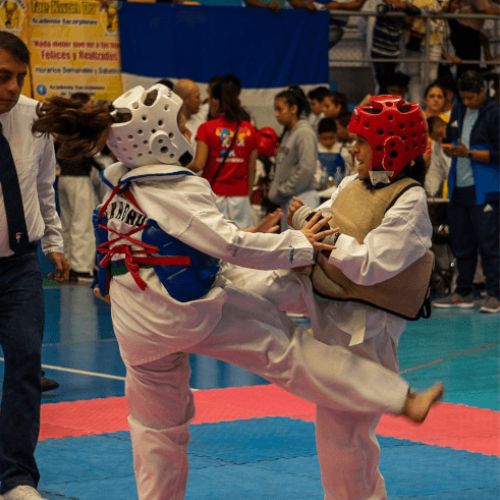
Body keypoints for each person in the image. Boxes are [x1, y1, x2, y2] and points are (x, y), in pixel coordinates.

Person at [33, 84, 443, 500]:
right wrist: (299, 243)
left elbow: (130, 243)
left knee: (155, 428)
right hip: (187, 311)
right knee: (287, 349)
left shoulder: (118, 186)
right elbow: (228, 244)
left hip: (138, 325)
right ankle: (400, 397)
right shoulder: (176, 188)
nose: (189, 133)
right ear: (157, 139)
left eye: (361, 141)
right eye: (181, 126)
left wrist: (291, 238)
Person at [234, 94, 439, 500]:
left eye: (362, 142)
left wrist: (314, 231)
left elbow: (369, 265)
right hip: (326, 295)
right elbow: (320, 221)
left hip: (366, 326)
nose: (353, 149)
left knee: (344, 439)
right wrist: (300, 234)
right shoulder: (353, 183)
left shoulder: (410, 201)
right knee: (242, 288)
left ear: (390, 148)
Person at [0, 31, 69, 500]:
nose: (13, 87)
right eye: (3, 76)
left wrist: (56, 243)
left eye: (20, 78)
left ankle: (17, 478)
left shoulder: (34, 120)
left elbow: (45, 188)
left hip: (20, 266)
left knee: (26, 361)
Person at [432, 70, 499, 313]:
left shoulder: (495, 113)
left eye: (472, 97)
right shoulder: (458, 110)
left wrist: (468, 153)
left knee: (489, 244)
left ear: (482, 92)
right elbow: (453, 140)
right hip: (458, 187)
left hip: (485, 188)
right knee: (461, 243)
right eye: (464, 98)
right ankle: (463, 291)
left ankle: (495, 294)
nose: (467, 102)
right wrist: (449, 148)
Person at [190, 78, 257, 229]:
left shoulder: (206, 128)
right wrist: (247, 194)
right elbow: (252, 168)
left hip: (213, 195)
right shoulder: (249, 129)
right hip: (240, 197)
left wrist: (179, 170)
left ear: (215, 101)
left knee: (213, 239)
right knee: (243, 238)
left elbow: (199, 164)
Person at [56, 92, 98, 283]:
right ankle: (81, 269)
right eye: (90, 104)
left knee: (67, 223)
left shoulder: (65, 123)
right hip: (79, 177)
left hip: (64, 177)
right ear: (83, 106)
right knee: (82, 223)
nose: (92, 107)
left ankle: (67, 266)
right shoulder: (82, 124)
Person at [268, 86, 319, 228]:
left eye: (280, 109)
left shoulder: (304, 133)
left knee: (301, 240)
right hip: (290, 199)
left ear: (293, 109)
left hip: (302, 198)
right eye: (275, 109)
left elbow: (306, 169)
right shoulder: (289, 132)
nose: (276, 114)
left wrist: (283, 189)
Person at [173, 78, 203, 148]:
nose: (200, 101)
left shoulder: (201, 119)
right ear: (185, 100)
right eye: (197, 97)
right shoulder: (172, 127)